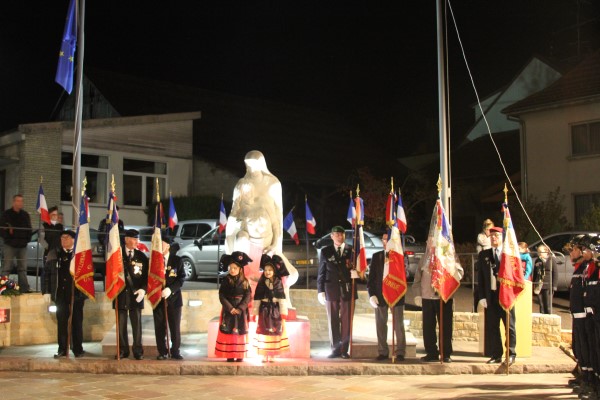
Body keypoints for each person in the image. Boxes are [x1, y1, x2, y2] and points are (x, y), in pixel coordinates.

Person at [413, 239, 464, 363]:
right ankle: (431, 353)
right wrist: (417, 295)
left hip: (444, 296)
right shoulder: (424, 258)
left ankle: (445, 353)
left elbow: (459, 272)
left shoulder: (449, 256)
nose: (431, 244)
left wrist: (449, 281)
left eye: (434, 241)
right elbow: (417, 278)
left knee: (445, 326)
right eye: (428, 242)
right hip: (427, 296)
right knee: (428, 327)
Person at [42, 230, 87, 358]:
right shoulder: (54, 253)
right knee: (62, 322)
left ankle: (77, 348)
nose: (64, 240)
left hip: (76, 294)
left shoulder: (80, 255)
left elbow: (88, 274)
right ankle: (62, 349)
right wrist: (46, 291)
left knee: (76, 322)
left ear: (73, 239)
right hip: (60, 293)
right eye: (62, 238)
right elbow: (46, 274)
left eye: (67, 237)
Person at [317, 225, 358, 359]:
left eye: (342, 234)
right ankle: (335, 349)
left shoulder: (351, 251)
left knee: (346, 321)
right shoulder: (326, 251)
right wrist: (320, 290)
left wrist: (357, 274)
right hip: (331, 289)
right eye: (337, 234)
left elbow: (360, 269)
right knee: (333, 320)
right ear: (332, 236)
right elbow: (321, 273)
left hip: (347, 289)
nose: (340, 237)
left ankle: (344, 350)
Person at [477, 226, 516, 365]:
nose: (494, 238)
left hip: (505, 295)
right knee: (492, 326)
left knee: (509, 326)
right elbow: (481, 277)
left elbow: (516, 275)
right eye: (492, 235)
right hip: (491, 295)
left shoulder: (508, 255)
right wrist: (482, 296)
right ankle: (496, 354)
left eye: (497, 236)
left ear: (502, 238)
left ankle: (511, 353)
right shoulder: (484, 254)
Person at [367, 232, 406, 361]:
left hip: (396, 294)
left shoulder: (399, 256)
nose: (386, 241)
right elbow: (371, 279)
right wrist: (371, 295)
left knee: (398, 325)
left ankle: (400, 352)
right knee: (380, 325)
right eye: (384, 239)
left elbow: (404, 276)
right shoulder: (376, 256)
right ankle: (383, 351)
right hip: (380, 295)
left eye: (388, 239)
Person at [113, 229, 148, 360]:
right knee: (121, 325)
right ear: (126, 239)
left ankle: (138, 350)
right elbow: (110, 273)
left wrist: (143, 290)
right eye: (134, 239)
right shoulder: (116, 255)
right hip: (121, 294)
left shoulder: (141, 256)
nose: (137, 241)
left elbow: (146, 276)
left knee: (137, 325)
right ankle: (123, 350)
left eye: (137, 239)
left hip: (136, 295)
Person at [215, 251, 253, 362]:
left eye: (235, 268)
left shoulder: (245, 282)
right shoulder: (226, 280)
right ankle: (230, 354)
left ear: (240, 269)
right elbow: (222, 295)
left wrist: (240, 308)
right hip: (229, 311)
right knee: (229, 332)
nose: (232, 270)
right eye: (230, 268)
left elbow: (248, 296)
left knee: (240, 332)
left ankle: (240, 354)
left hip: (241, 311)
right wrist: (230, 308)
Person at [252, 254, 289, 362]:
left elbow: (282, 299)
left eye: (270, 270)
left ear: (274, 271)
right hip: (263, 310)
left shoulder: (278, 282)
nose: (267, 272)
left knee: (274, 332)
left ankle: (272, 354)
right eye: (265, 270)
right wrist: (255, 313)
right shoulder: (261, 282)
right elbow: (257, 298)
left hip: (275, 311)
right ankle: (264, 354)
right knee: (264, 332)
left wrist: (283, 313)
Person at [566, 236, 592, 392]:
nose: (571, 253)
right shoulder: (580, 268)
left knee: (585, 346)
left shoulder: (586, 268)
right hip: (577, 314)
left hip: (585, 315)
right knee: (578, 346)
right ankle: (583, 375)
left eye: (574, 250)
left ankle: (588, 380)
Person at [153, 237, 185, 360]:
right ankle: (162, 351)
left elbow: (181, 278)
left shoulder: (177, 260)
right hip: (158, 298)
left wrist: (170, 289)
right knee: (160, 327)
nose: (159, 246)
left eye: (162, 244)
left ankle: (175, 351)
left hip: (174, 299)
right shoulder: (154, 261)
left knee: (175, 327)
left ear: (168, 246)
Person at [0, 194, 32, 293]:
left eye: (21, 201)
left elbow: (29, 229)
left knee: (22, 268)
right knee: (7, 267)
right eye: (18, 201)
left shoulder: (25, 215)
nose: (20, 203)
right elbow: (2, 229)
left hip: (22, 245)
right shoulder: (6, 214)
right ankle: (3, 288)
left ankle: (24, 288)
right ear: (13, 202)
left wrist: (26, 239)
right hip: (10, 245)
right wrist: (8, 238)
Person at [532, 244, 557, 314]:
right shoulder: (537, 260)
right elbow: (535, 273)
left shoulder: (551, 259)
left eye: (541, 251)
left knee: (547, 304)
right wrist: (534, 284)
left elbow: (555, 272)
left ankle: (548, 316)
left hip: (548, 284)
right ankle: (542, 315)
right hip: (539, 285)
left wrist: (554, 285)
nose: (539, 253)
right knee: (541, 304)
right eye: (538, 252)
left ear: (546, 251)